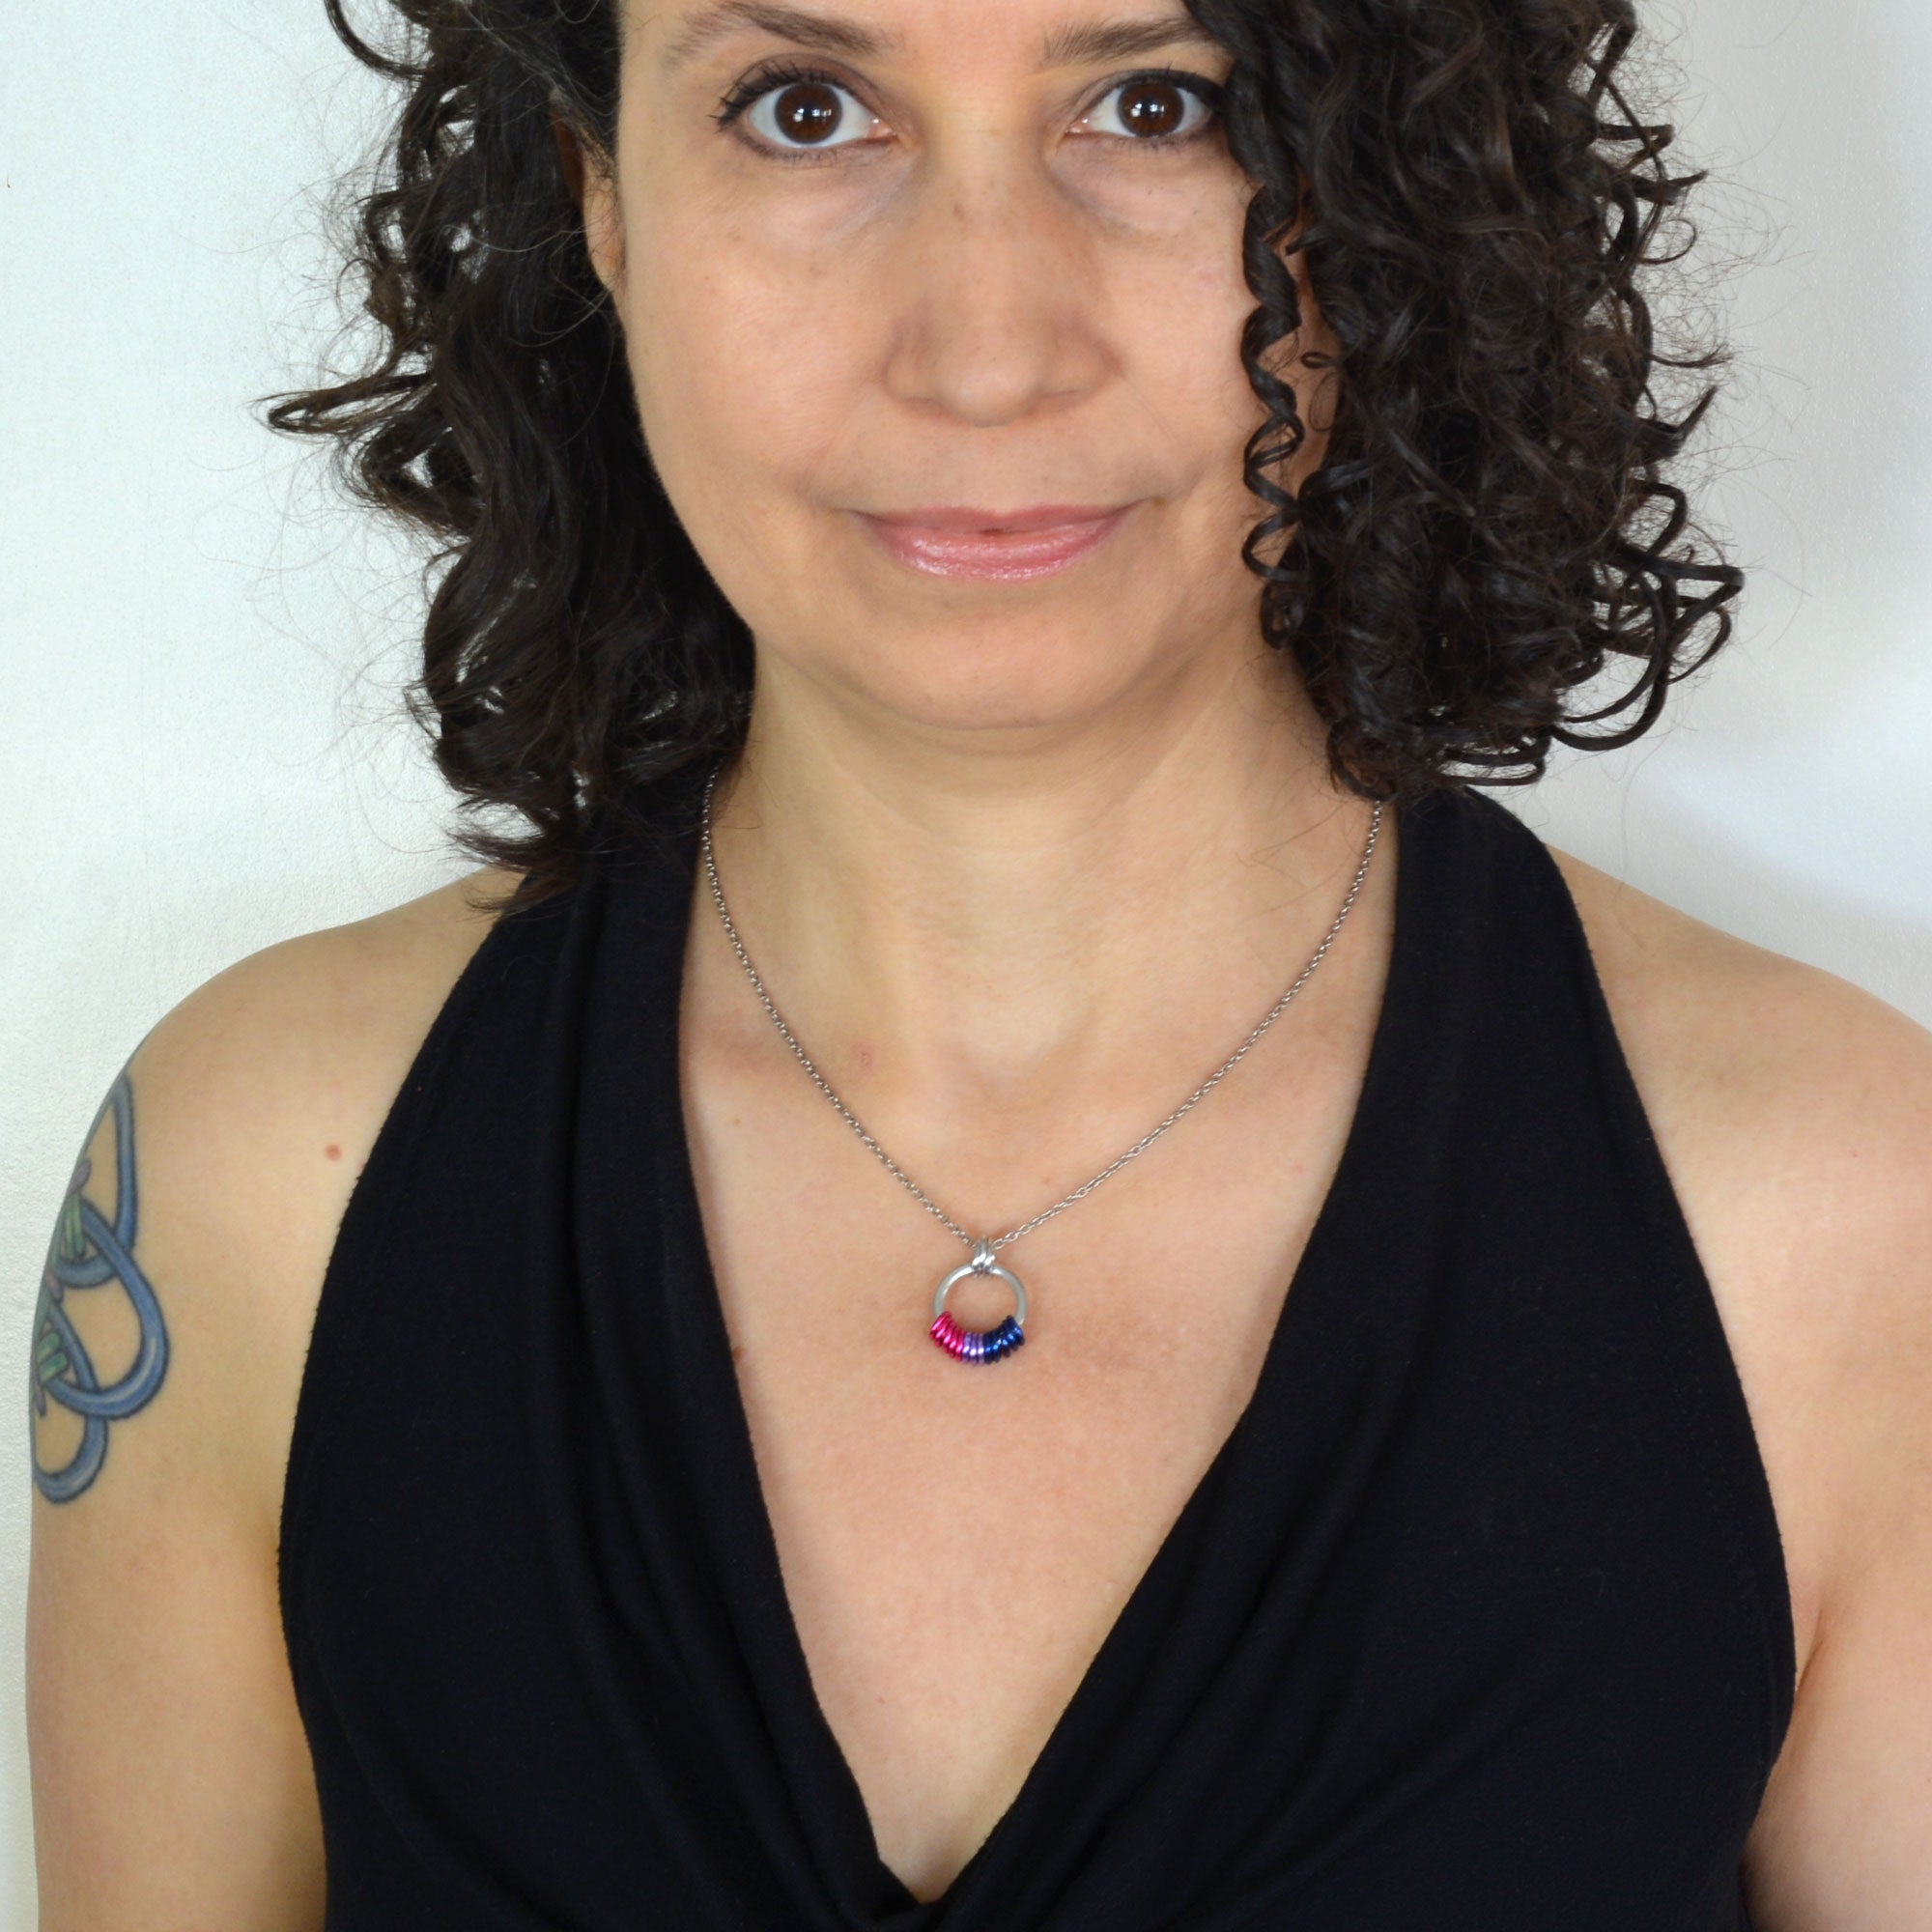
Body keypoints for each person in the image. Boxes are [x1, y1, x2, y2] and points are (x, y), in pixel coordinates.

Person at [25, 0, 1932, 1925]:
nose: (988, 349)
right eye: (803, 110)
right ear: (602, 198)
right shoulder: (252, 1182)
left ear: (1389, 182)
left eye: (1157, 105)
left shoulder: (1847, 1217)